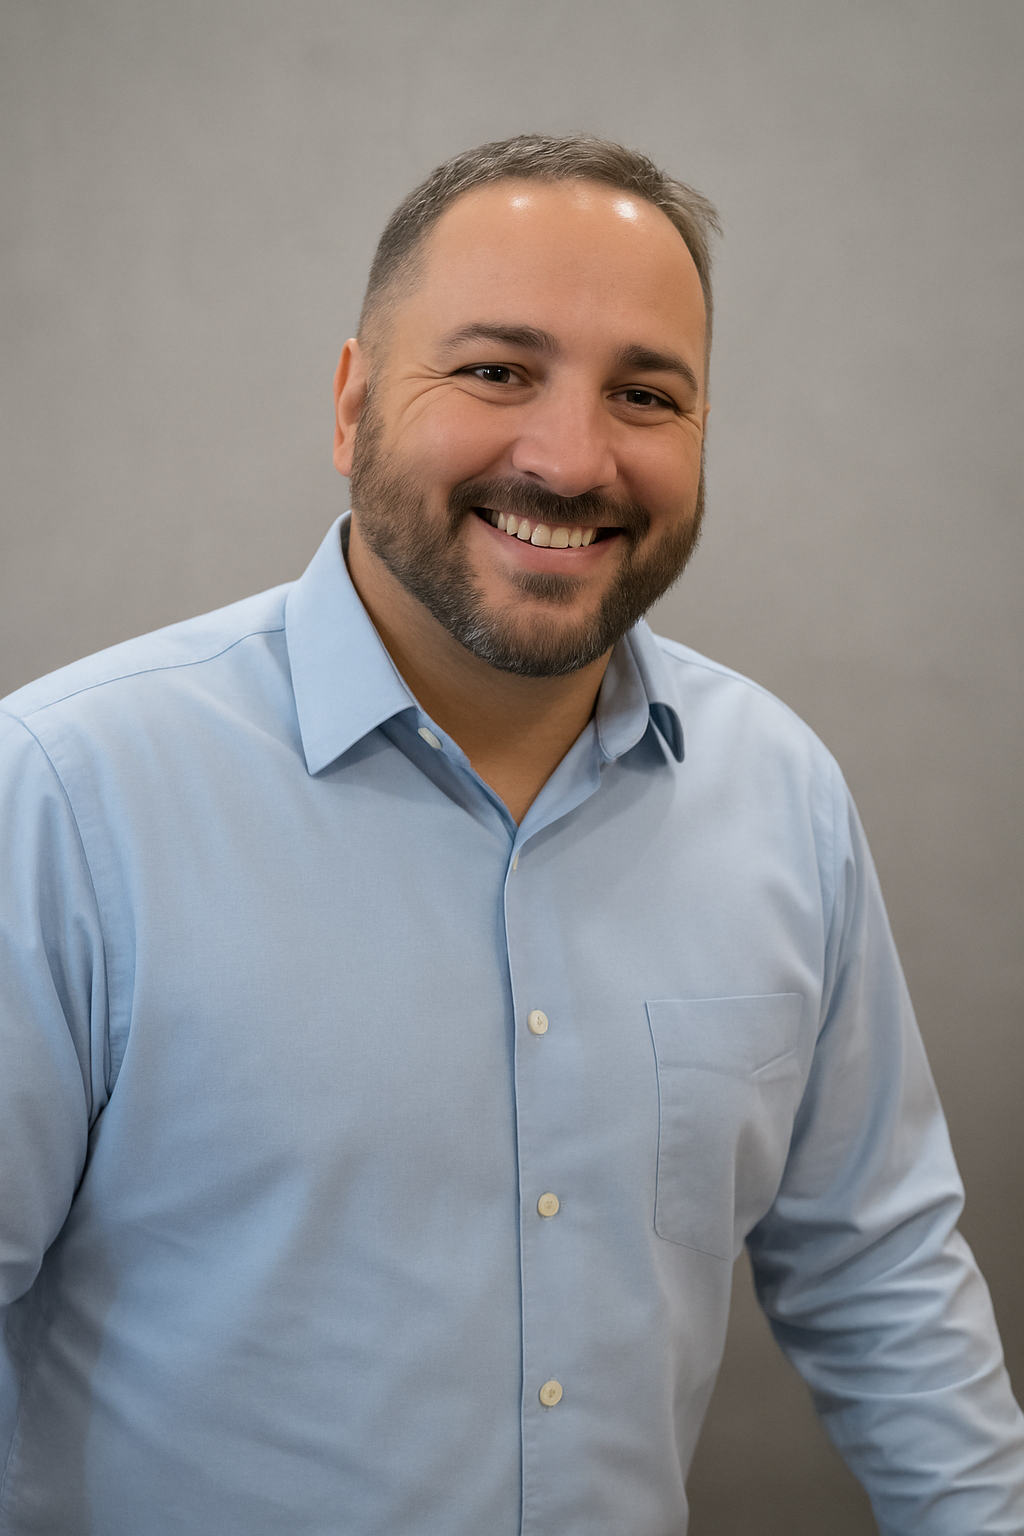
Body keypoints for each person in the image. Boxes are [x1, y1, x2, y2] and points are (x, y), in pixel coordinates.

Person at [0, 133, 1021, 1536]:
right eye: (495, 372)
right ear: (353, 402)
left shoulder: (782, 796)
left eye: (646, 394)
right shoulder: (67, 792)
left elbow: (878, 1279)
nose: (570, 457)